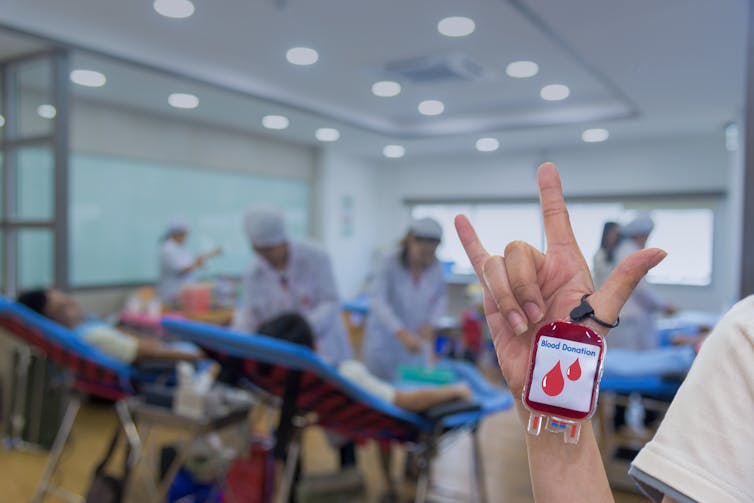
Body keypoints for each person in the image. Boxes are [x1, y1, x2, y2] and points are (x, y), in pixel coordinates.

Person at [455, 162, 753, 502]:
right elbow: (647, 296)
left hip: (638, 333)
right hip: (627, 334)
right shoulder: (745, 337)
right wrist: (551, 399)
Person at [232, 207, 353, 365]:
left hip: (324, 346)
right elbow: (249, 314)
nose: (263, 255)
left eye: (268, 249)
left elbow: (330, 302)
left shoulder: (316, 257)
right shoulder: (253, 272)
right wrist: (235, 343)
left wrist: (300, 331)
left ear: (283, 241)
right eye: (257, 250)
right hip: (283, 353)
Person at [17, 289, 202, 364]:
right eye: (66, 305)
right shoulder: (90, 335)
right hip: (169, 362)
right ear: (52, 315)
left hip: (160, 347)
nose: (73, 304)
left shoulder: (85, 328)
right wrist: (196, 356)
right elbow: (142, 351)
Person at [363, 217, 447, 381]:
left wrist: (431, 324)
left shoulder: (435, 267)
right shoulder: (388, 262)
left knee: (413, 391)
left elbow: (440, 298)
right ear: (410, 240)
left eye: (431, 252)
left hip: (416, 343)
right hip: (385, 343)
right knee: (381, 395)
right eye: (423, 252)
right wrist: (401, 333)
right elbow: (378, 301)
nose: (427, 257)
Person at [606, 214, 677, 350]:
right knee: (631, 362)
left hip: (631, 319)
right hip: (630, 321)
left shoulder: (626, 250)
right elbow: (641, 289)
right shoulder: (629, 251)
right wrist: (663, 305)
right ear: (640, 234)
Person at [158, 218, 221, 305]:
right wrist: (197, 264)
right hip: (173, 296)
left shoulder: (180, 248)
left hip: (185, 295)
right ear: (178, 233)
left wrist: (209, 255)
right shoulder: (168, 249)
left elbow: (191, 262)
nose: (187, 236)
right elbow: (181, 270)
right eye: (186, 233)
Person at [592, 221, 621, 288]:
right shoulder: (599, 255)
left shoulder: (618, 253)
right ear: (606, 233)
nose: (615, 236)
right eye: (612, 232)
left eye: (617, 233)